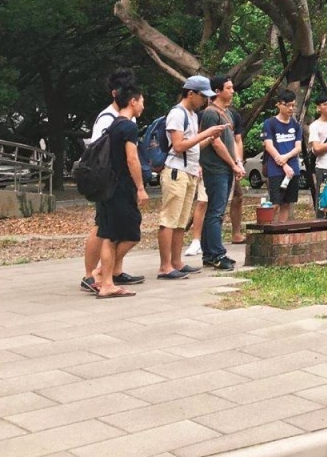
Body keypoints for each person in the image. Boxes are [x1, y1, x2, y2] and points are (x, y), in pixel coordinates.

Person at [158, 76, 229, 279]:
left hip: (189, 172)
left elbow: (193, 146)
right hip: (175, 171)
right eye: (202, 96)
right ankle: (165, 266)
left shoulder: (192, 115)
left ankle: (177, 261)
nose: (205, 101)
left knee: (181, 221)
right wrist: (204, 133)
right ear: (191, 93)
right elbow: (179, 145)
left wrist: (209, 138)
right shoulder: (177, 114)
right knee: (169, 219)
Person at [81, 68, 144, 294]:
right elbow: (103, 153)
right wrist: (140, 187)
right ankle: (94, 275)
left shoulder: (121, 120)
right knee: (105, 230)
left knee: (109, 233)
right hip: (110, 183)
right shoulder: (111, 119)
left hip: (112, 184)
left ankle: (110, 274)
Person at [94, 82, 149, 298]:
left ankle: (105, 280)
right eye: (142, 101)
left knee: (110, 235)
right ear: (133, 101)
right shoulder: (128, 127)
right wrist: (140, 187)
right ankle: (102, 275)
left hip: (108, 186)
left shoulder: (114, 125)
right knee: (131, 234)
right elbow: (132, 158)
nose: (143, 106)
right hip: (122, 187)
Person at [199, 76, 245, 270]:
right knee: (216, 212)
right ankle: (217, 254)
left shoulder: (227, 113)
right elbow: (215, 142)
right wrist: (232, 164)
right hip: (215, 168)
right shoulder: (210, 113)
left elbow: (233, 141)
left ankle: (209, 253)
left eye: (232, 87)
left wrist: (238, 162)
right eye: (228, 88)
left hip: (226, 167)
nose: (232, 91)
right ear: (217, 91)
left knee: (216, 211)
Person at [261, 90, 303, 224]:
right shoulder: (270, 123)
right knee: (276, 202)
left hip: (293, 169)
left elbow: (298, 147)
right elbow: (269, 146)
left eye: (293, 105)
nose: (291, 108)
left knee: (287, 203)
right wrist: (283, 163)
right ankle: (267, 228)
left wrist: (286, 157)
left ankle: (282, 230)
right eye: (287, 105)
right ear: (279, 105)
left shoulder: (296, 125)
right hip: (276, 169)